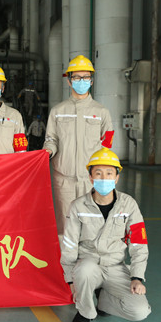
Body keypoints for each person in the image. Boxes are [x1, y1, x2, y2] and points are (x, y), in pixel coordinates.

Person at [60, 147, 150, 322]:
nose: (104, 178)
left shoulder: (129, 204)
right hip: (88, 264)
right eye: (98, 173)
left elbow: (138, 244)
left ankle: (103, 300)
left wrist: (137, 277)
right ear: (91, 178)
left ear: (117, 178)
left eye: (109, 173)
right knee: (84, 271)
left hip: (115, 266)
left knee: (139, 311)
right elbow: (69, 245)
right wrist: (70, 280)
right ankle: (85, 312)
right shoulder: (78, 206)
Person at [43, 55, 114, 237]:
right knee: (65, 224)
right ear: (69, 81)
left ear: (91, 80)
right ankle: (66, 256)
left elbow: (106, 147)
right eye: (76, 77)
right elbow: (51, 139)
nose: (81, 81)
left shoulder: (101, 112)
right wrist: (48, 150)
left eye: (85, 77)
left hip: (90, 179)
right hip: (63, 179)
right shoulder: (58, 111)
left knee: (92, 224)